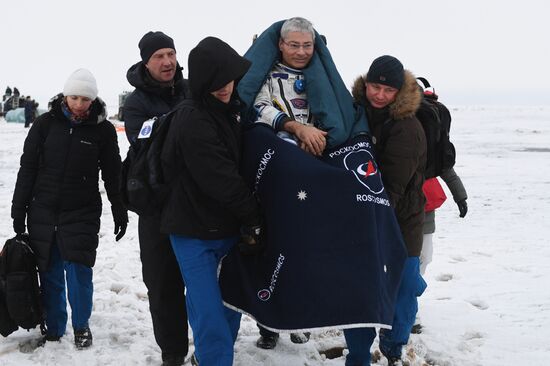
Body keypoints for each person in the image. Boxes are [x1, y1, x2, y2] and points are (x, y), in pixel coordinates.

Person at [240, 16, 370, 350]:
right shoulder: (267, 74)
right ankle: (267, 321)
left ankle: (299, 316)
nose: (300, 52)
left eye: (307, 45)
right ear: (280, 45)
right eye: (293, 45)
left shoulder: (321, 76)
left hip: (313, 164)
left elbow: (335, 111)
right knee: (272, 244)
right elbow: (257, 106)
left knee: (306, 248)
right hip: (276, 169)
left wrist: (324, 136)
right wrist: (297, 130)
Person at [160, 36, 261, 366]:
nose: (224, 87)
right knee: (208, 313)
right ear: (203, 81)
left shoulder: (233, 111)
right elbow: (221, 178)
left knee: (229, 306)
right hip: (192, 232)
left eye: (229, 78)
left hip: (227, 228)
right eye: (216, 82)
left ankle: (207, 358)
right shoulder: (192, 118)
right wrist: (253, 215)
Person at [11, 68, 128, 349]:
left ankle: (81, 326)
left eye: (85, 99)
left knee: (79, 271)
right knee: (49, 271)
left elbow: (113, 173)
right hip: (43, 209)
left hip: (82, 211)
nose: (78, 104)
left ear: (94, 101)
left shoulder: (103, 129)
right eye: (74, 97)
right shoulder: (45, 125)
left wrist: (119, 208)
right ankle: (55, 326)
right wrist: (19, 209)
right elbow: (27, 168)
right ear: (65, 95)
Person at [349, 55, 427, 365]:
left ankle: (394, 346)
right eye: (374, 87)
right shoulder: (354, 114)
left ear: (398, 93)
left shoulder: (407, 129)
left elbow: (393, 188)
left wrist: (374, 226)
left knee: (404, 286)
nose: (379, 95)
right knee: (362, 289)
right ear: (366, 84)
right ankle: (358, 351)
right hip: (361, 215)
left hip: (403, 220)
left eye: (388, 90)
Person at [122, 31, 190, 366]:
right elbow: (147, 146)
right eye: (158, 57)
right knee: (162, 286)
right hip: (156, 207)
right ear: (146, 63)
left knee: (209, 282)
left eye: (170, 54)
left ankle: (212, 342)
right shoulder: (135, 104)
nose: (167, 62)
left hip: (197, 203)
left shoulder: (193, 90)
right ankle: (173, 353)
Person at [420, 170, 468, 276]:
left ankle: (413, 288)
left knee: (425, 256)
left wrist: (460, 196)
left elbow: (446, 169)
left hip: (425, 207)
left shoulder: (432, 152)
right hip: (398, 205)